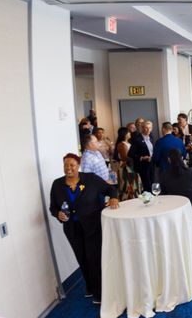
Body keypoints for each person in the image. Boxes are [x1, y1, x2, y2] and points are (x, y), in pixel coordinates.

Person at [48, 153, 119, 302]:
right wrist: (58, 214)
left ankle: (100, 293)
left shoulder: (91, 179)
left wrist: (113, 197)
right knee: (82, 258)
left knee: (93, 258)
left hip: (93, 226)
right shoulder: (57, 185)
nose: (69, 168)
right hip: (72, 229)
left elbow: (110, 189)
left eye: (72, 165)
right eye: (66, 165)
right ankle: (91, 287)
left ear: (78, 166)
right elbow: (53, 207)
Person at [160, 148, 192, 221]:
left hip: (175, 211)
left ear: (169, 160)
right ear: (182, 158)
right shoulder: (191, 172)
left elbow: (164, 196)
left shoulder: (164, 176)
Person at [127, 120, 156, 192]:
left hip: (151, 164)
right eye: (146, 128)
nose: (148, 129)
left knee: (153, 183)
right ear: (142, 128)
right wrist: (142, 158)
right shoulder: (137, 139)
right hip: (142, 166)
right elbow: (130, 154)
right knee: (146, 186)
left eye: (150, 128)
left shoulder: (151, 137)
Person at [113, 127, 140, 200]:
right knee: (128, 186)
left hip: (131, 166)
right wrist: (138, 158)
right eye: (128, 132)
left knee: (133, 185)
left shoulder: (128, 142)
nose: (130, 133)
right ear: (124, 134)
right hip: (126, 167)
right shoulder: (122, 144)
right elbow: (125, 157)